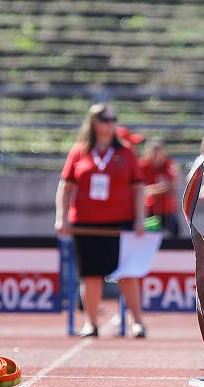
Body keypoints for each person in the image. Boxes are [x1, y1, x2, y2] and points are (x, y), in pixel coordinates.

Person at [54, 103, 149, 338]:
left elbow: (138, 188)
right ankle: (91, 322)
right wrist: (61, 218)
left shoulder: (125, 152)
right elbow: (66, 187)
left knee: (127, 274)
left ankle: (137, 322)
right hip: (86, 223)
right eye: (106, 119)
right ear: (94, 123)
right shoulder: (79, 151)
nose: (111, 123)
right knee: (91, 275)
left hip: (121, 222)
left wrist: (140, 219)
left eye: (113, 119)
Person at [139, 137, 180, 238]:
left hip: (167, 212)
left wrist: (150, 190)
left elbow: (171, 185)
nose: (157, 156)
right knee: (149, 239)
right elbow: (138, 189)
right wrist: (158, 189)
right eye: (154, 152)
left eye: (159, 152)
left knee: (173, 241)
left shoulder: (169, 165)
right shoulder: (142, 166)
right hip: (149, 212)